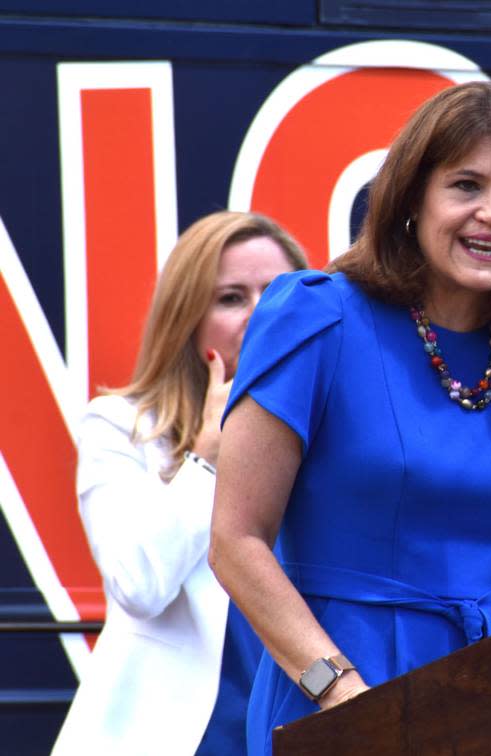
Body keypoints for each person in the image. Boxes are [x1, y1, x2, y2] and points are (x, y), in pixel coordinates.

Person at [208, 80, 491, 754]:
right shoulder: (318, 315)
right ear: (413, 202)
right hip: (343, 693)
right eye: (466, 186)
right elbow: (236, 541)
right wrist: (342, 694)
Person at [52, 211, 307, 756]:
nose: (260, 314)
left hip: (303, 720)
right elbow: (137, 584)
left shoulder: (330, 433)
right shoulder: (122, 426)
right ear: (188, 318)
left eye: (277, 293)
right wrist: (210, 454)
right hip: (182, 738)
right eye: (232, 298)